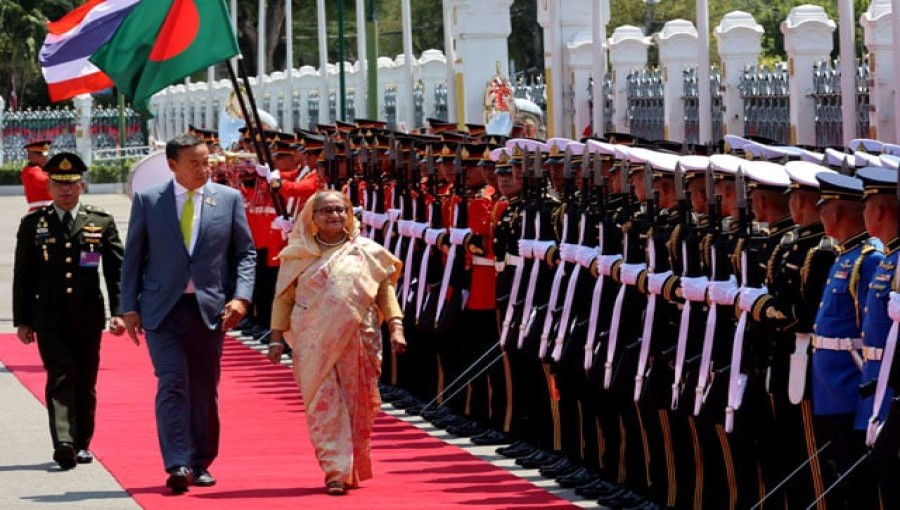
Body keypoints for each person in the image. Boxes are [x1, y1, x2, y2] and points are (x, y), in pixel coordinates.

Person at [121, 133, 256, 493]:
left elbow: (245, 253)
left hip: (208, 308)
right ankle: (177, 462)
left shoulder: (228, 199)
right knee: (172, 382)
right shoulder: (150, 201)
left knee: (203, 389)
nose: (202, 169)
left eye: (206, 161)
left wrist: (241, 297)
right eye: (193, 163)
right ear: (172, 165)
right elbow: (133, 256)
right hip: (162, 309)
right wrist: (128, 307)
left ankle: (201, 461)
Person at [267, 189, 407, 496]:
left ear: (349, 214)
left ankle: (351, 467)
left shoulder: (367, 252)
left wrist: (396, 327)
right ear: (312, 218)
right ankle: (335, 470)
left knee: (358, 406)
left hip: (358, 339)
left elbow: (385, 292)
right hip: (312, 344)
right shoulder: (298, 253)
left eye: (340, 210)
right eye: (326, 211)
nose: (334, 216)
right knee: (323, 405)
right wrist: (276, 339)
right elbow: (283, 299)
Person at [12, 152, 125, 470]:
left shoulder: (99, 220)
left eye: (72, 184)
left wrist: (120, 310)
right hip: (48, 314)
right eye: (59, 184)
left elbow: (117, 270)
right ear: (49, 187)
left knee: (85, 380)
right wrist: (22, 319)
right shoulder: (34, 224)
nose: (66, 190)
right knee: (60, 374)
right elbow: (23, 274)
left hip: (88, 314)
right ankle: (63, 441)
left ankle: (82, 442)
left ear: (82, 185)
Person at [21, 140, 53, 211]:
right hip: (42, 211)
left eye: (46, 155)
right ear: (30, 156)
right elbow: (46, 182)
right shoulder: (33, 171)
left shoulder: (40, 169)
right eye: (40, 155)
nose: (45, 157)